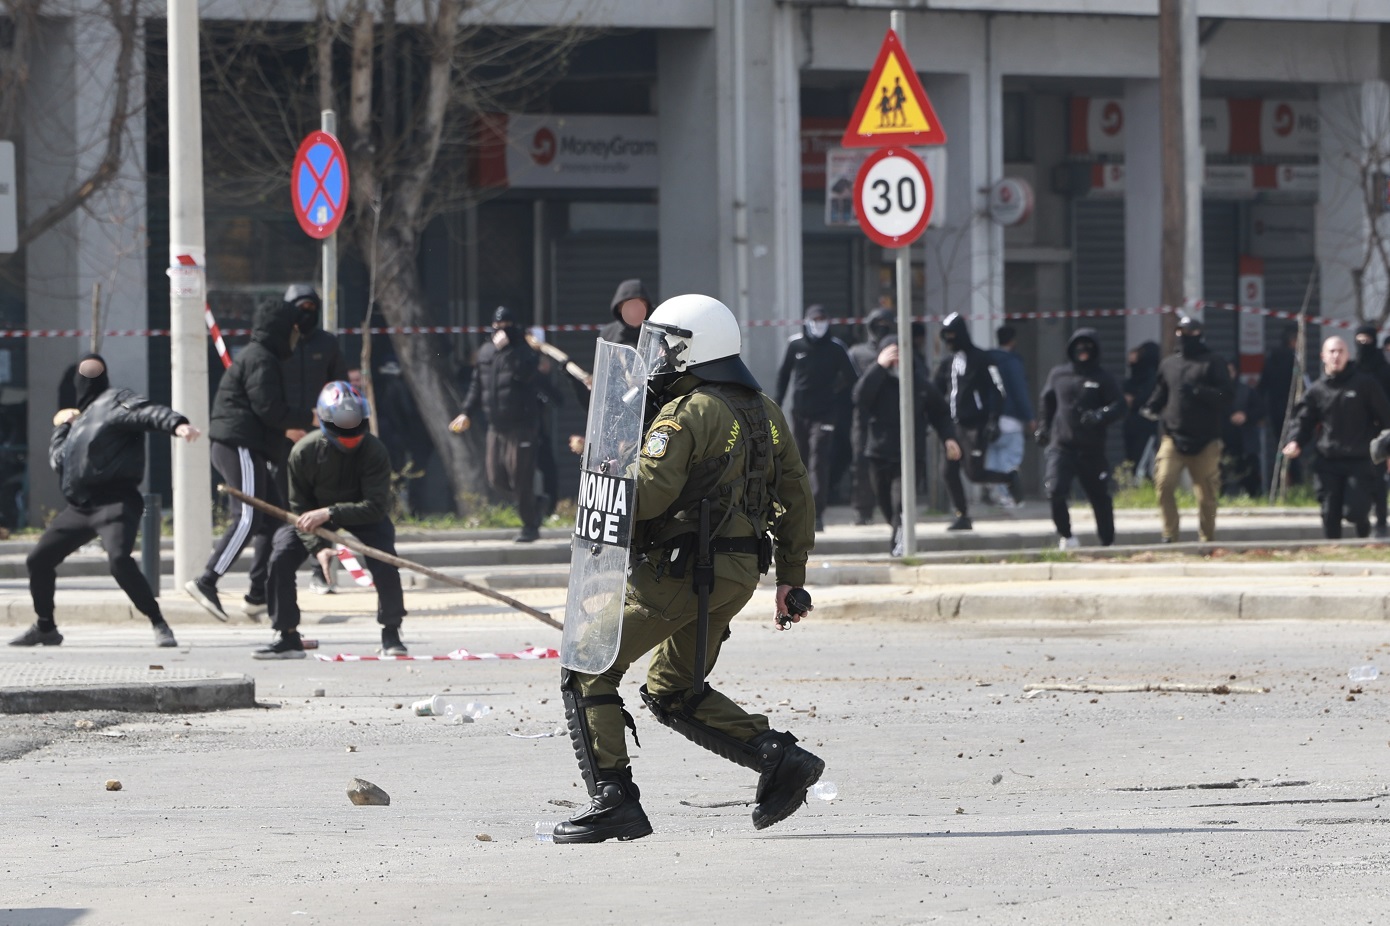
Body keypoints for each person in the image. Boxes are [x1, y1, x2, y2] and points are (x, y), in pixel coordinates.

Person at [552, 294, 821, 843]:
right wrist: (790, 578)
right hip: (738, 575)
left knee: (587, 666)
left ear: (693, 349)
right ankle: (781, 759)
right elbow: (796, 495)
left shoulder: (687, 412)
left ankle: (614, 800)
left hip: (679, 572)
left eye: (668, 346)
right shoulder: (765, 411)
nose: (659, 356)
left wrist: (605, 469)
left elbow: (647, 497)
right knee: (674, 687)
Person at [9, 355, 200, 648]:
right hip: (81, 507)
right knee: (39, 560)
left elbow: (147, 413)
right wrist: (62, 427)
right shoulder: (79, 423)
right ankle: (45, 627)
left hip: (116, 502)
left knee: (119, 561)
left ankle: (158, 623)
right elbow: (57, 462)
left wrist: (177, 424)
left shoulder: (116, 401)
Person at [255, 381, 406, 659]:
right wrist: (318, 547)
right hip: (311, 516)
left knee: (386, 559)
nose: (349, 432)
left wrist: (331, 513)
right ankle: (287, 635)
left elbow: (375, 506)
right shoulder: (303, 452)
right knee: (281, 555)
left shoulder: (375, 451)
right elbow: (298, 506)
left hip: (360, 513)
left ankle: (391, 631)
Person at [186, 301, 311, 621]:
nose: (297, 335)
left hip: (247, 446)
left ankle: (258, 594)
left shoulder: (264, 358)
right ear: (284, 329)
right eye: (295, 329)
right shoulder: (261, 360)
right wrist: (300, 420)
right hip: (238, 444)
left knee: (272, 520)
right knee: (249, 516)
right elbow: (267, 408)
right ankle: (207, 580)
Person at [853, 335, 960, 555]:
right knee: (886, 506)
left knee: (900, 505)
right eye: (892, 357)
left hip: (910, 457)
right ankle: (898, 535)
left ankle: (899, 547)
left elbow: (940, 413)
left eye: (900, 356)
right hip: (879, 454)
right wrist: (879, 367)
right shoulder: (877, 381)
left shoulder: (919, 384)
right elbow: (859, 396)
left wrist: (949, 438)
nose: (897, 362)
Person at [279, 285, 350, 599]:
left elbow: (340, 389)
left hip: (321, 438)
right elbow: (268, 392)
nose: (305, 313)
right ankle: (280, 571)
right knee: (287, 505)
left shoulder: (328, 344)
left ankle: (320, 572)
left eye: (311, 307)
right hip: (283, 436)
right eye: (299, 307)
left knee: (321, 504)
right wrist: (285, 426)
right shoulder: (279, 344)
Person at [450, 306, 543, 543]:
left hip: (522, 425)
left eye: (506, 327)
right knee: (495, 478)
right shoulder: (485, 352)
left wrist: (508, 351)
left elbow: (525, 374)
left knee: (521, 476)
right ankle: (533, 502)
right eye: (497, 328)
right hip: (495, 425)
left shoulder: (524, 350)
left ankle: (530, 525)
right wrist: (466, 412)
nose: (501, 332)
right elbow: (476, 385)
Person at [1283, 336, 1390, 540]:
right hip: (1328, 459)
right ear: (1323, 356)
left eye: (1340, 351)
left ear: (1348, 355)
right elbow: (1303, 420)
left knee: (1355, 511)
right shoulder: (1317, 390)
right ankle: (1333, 547)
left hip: (1359, 459)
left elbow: (1386, 418)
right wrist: (1295, 441)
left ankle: (1363, 526)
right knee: (1329, 511)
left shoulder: (1365, 384)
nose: (1336, 356)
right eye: (1331, 352)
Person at [1142, 315, 1233, 543]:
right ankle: (1170, 533)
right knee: (1163, 484)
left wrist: (1200, 392)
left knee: (1206, 495)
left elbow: (1227, 396)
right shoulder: (1169, 364)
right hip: (1173, 437)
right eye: (1181, 332)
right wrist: (1151, 406)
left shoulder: (1213, 362)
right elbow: (1162, 392)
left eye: (1190, 333)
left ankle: (1206, 538)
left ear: (1200, 335)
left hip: (1206, 440)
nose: (1185, 337)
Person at [1036, 330, 1124, 549]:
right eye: (1079, 347)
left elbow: (1119, 406)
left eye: (1088, 347)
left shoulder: (1103, 378)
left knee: (1099, 497)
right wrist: (1043, 429)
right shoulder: (1058, 375)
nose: (1083, 352)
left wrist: (1100, 415)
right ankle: (1066, 535)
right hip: (1062, 446)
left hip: (1091, 449)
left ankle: (1107, 540)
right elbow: (1047, 404)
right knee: (1055, 490)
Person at [775, 304, 856, 532]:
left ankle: (817, 513)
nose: (818, 323)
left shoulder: (836, 348)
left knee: (819, 458)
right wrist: (776, 404)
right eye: (815, 319)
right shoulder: (795, 344)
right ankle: (799, 511)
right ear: (807, 320)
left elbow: (851, 378)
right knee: (800, 460)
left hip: (825, 414)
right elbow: (784, 376)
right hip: (800, 413)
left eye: (822, 319)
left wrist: (837, 397)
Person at [934, 312, 1011, 531]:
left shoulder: (983, 358)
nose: (949, 340)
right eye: (945, 336)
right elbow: (936, 390)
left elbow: (998, 390)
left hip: (974, 425)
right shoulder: (947, 362)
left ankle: (1009, 478)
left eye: (952, 335)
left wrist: (993, 420)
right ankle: (962, 515)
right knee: (948, 471)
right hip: (952, 427)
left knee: (973, 472)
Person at [847, 308, 896, 525]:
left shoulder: (899, 350)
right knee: (861, 464)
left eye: (886, 323)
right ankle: (863, 510)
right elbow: (851, 387)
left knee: (891, 465)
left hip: (891, 417)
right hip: (863, 417)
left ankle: (892, 509)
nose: (881, 328)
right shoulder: (857, 353)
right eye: (878, 323)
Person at [985, 325, 1035, 508]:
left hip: (990, 420)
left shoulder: (988, 360)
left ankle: (993, 493)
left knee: (993, 458)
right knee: (1011, 460)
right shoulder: (1012, 362)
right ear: (1013, 340)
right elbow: (1019, 391)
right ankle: (1008, 496)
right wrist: (1029, 417)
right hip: (1011, 419)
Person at [1354, 325, 1390, 537]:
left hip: (1379, 432)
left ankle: (1381, 521)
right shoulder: (1354, 368)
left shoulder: (1384, 371)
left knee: (1378, 479)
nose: (1362, 345)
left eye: (1366, 340)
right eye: (1359, 341)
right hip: (1356, 431)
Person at [1258, 324, 1300, 486]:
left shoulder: (1271, 359)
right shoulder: (1293, 359)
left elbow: (1262, 386)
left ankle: (1285, 480)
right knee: (1294, 444)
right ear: (1292, 340)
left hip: (1275, 409)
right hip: (1292, 409)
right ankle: (1294, 480)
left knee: (1281, 444)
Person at [1221, 361, 1265, 499]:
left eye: (1231, 371)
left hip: (1246, 442)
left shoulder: (1247, 391)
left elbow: (1261, 410)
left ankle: (1255, 498)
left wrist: (1245, 416)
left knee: (1251, 475)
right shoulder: (1218, 392)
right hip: (1224, 442)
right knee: (1223, 474)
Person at [1122, 341, 1161, 478]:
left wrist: (1134, 400)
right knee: (1132, 460)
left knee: (1140, 461)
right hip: (1132, 422)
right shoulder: (1134, 378)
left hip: (1146, 424)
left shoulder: (1152, 379)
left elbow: (1145, 397)